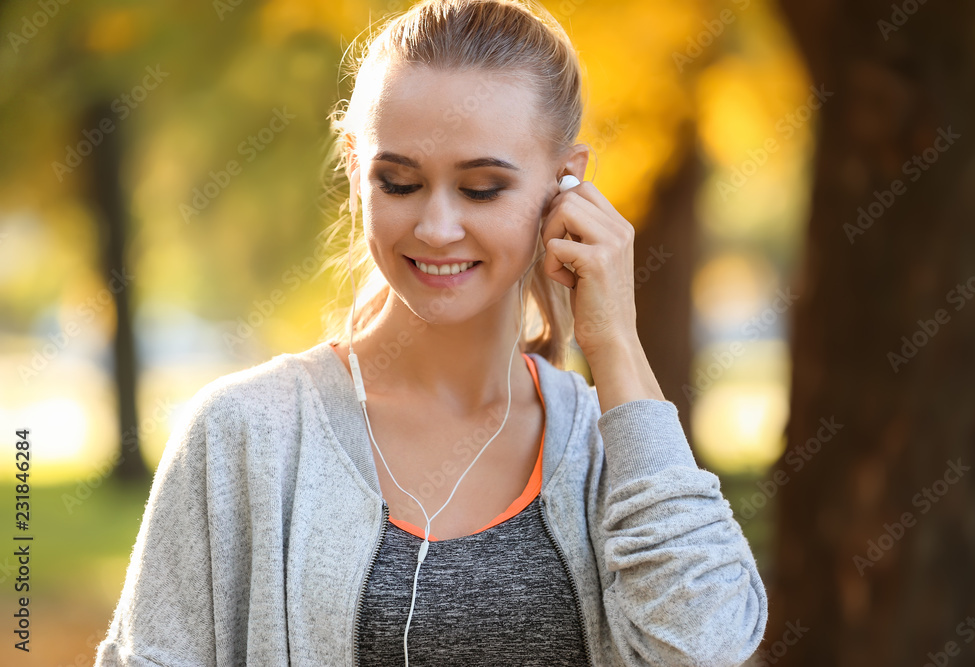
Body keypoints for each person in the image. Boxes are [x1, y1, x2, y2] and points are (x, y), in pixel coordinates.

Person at [94, 0, 768, 665]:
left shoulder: (610, 451)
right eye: (400, 181)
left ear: (566, 183)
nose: (437, 227)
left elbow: (703, 646)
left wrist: (616, 344)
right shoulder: (244, 435)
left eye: (481, 188)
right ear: (358, 173)